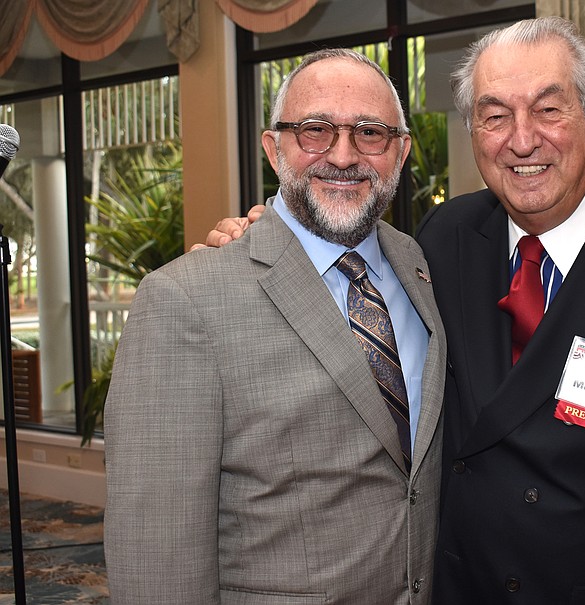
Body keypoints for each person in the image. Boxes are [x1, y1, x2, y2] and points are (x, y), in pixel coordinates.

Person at [204, 17, 585, 604]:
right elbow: (344, 268)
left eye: (549, 110)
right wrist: (263, 236)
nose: (522, 139)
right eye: (494, 116)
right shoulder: (443, 239)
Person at [104, 49, 446, 605]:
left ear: (401, 151)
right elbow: (156, 551)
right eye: (314, 130)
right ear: (273, 148)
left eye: (370, 133)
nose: (342, 155)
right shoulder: (182, 300)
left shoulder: (418, 265)